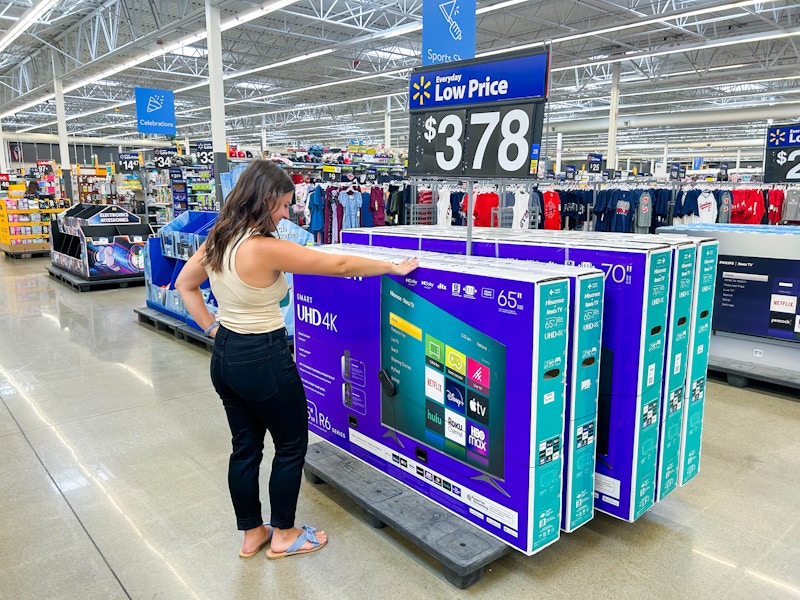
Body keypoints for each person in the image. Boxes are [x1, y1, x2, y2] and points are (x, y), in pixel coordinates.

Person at [175, 159, 417, 560]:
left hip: (226, 357)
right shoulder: (264, 248)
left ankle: (253, 534)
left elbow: (185, 285)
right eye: (284, 205)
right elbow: (338, 265)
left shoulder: (217, 238)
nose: (288, 214)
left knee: (245, 448)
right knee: (290, 445)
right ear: (265, 199)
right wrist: (391, 266)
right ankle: (285, 534)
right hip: (264, 358)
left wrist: (213, 329)